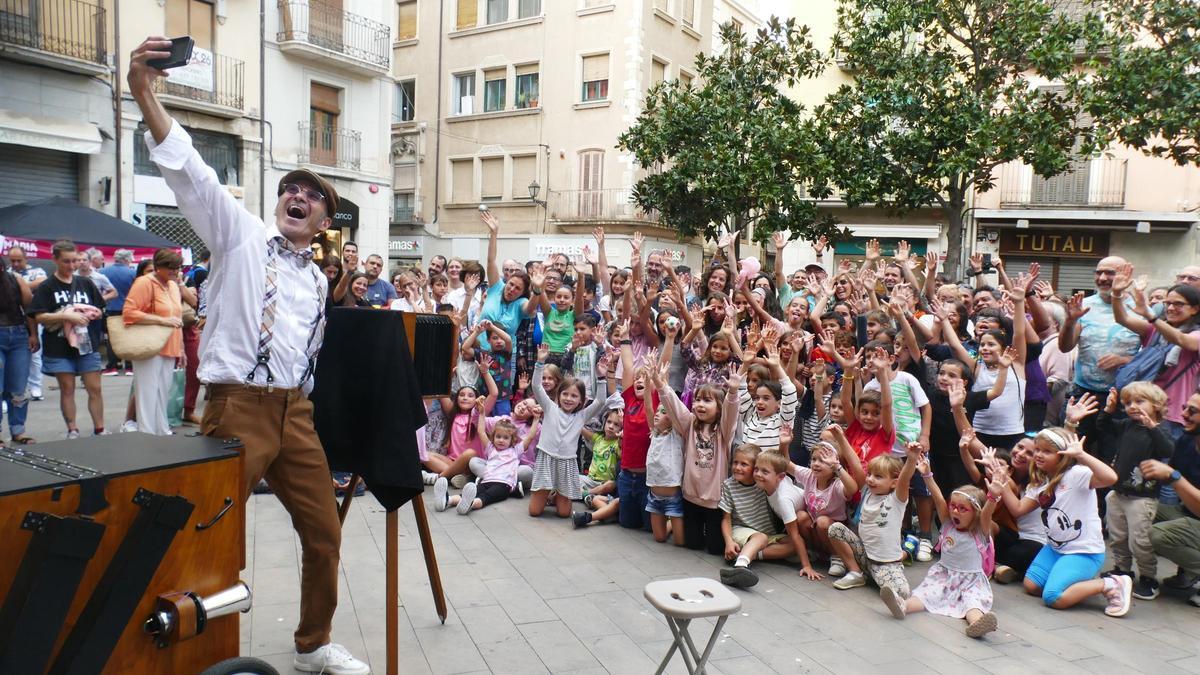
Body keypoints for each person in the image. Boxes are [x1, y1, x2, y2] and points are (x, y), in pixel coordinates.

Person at [128, 36, 368, 674]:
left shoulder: (318, 280)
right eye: (291, 187)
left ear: (324, 220)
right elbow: (190, 173)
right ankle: (178, 645)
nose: (298, 195)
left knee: (325, 534)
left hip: (295, 414)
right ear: (278, 200)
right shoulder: (239, 238)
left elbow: (308, 351)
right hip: (237, 408)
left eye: (312, 195)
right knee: (205, 536)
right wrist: (144, 91)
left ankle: (313, 646)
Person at [995, 428, 1131, 617]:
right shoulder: (1041, 482)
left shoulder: (1077, 474)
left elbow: (1110, 478)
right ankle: (1072, 581)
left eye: (1047, 451)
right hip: (1055, 548)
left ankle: (1111, 584)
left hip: (1084, 551)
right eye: (1038, 450)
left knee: (1053, 597)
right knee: (1031, 586)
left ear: (1062, 455)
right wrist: (999, 481)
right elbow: (1018, 509)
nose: (1039, 455)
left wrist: (1082, 455)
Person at [1070, 385, 1173, 600]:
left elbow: (1167, 450)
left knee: (1140, 540)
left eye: (1139, 402)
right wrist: (1108, 410)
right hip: (1118, 492)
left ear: (1156, 405)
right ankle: (1122, 569)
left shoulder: (1161, 429)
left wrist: (1152, 426)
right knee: (1117, 536)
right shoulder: (1127, 425)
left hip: (1142, 497)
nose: (1132, 407)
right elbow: (1103, 428)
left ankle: (1148, 577)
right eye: (1127, 404)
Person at [884, 456, 1001, 639]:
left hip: (971, 581)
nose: (955, 511)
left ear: (975, 514)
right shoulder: (947, 524)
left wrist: (992, 497)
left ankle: (978, 623)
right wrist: (927, 475)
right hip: (944, 575)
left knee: (972, 602)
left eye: (963, 509)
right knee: (925, 594)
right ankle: (903, 606)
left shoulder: (980, 531)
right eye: (953, 506)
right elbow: (938, 497)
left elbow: (987, 513)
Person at [1058, 257, 1143, 458]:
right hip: (1083, 393)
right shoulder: (1084, 305)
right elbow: (1065, 347)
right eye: (1099, 272)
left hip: (1122, 398)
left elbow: (1154, 356)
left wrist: (1124, 360)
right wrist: (1069, 322)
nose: (1103, 278)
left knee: (1112, 456)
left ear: (1126, 275)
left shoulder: (1139, 308)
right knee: (1072, 454)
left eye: (1110, 273)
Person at [27, 240, 107, 438]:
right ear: (55, 260)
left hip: (86, 344)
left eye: (74, 261)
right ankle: (72, 429)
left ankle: (100, 428)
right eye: (66, 262)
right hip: (58, 345)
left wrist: (93, 314)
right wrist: (66, 316)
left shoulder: (86, 283)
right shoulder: (47, 286)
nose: (71, 266)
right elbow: (38, 315)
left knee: (94, 388)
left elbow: (100, 307)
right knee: (67, 388)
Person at [1144, 387, 1200, 607]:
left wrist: (1173, 476)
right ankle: (1187, 573)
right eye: (1185, 407)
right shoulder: (1187, 441)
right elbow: (1169, 477)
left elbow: (1174, 477)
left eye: (1192, 411)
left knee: (1159, 535)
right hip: (1189, 513)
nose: (1183, 413)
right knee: (1140, 511)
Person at [122, 248, 185, 436]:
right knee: (147, 392)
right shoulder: (145, 282)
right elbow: (129, 313)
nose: (175, 271)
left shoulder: (173, 285)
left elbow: (178, 317)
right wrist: (162, 320)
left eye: (177, 267)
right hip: (149, 344)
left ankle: (161, 429)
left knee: (162, 391)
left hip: (170, 344)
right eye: (170, 267)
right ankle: (147, 433)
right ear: (158, 267)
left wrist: (181, 349)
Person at [719, 444, 792, 588]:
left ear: (755, 468)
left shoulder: (762, 484)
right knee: (760, 537)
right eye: (735, 462)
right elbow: (726, 519)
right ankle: (741, 566)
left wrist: (784, 444)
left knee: (796, 544)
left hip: (766, 533)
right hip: (741, 530)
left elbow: (782, 468)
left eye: (744, 464)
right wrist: (728, 541)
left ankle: (746, 555)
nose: (738, 467)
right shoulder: (728, 485)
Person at [0, 254, 36, 445]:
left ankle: (18, 430)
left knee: (18, 388)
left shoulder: (16, 279)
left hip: (18, 335)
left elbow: (29, 308)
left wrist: (33, 334)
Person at [9, 245, 46, 399]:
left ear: (26, 258)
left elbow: (42, 281)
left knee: (35, 354)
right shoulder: (7, 273)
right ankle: (17, 388)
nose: (16, 264)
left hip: (34, 317)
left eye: (19, 260)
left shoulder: (37, 271)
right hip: (13, 319)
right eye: (12, 261)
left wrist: (19, 286)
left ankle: (36, 387)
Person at [102, 248, 137, 375]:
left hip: (110, 309)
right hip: (129, 309)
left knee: (112, 338)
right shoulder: (132, 273)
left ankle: (112, 366)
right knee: (130, 337)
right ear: (127, 259)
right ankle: (130, 366)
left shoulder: (102, 272)